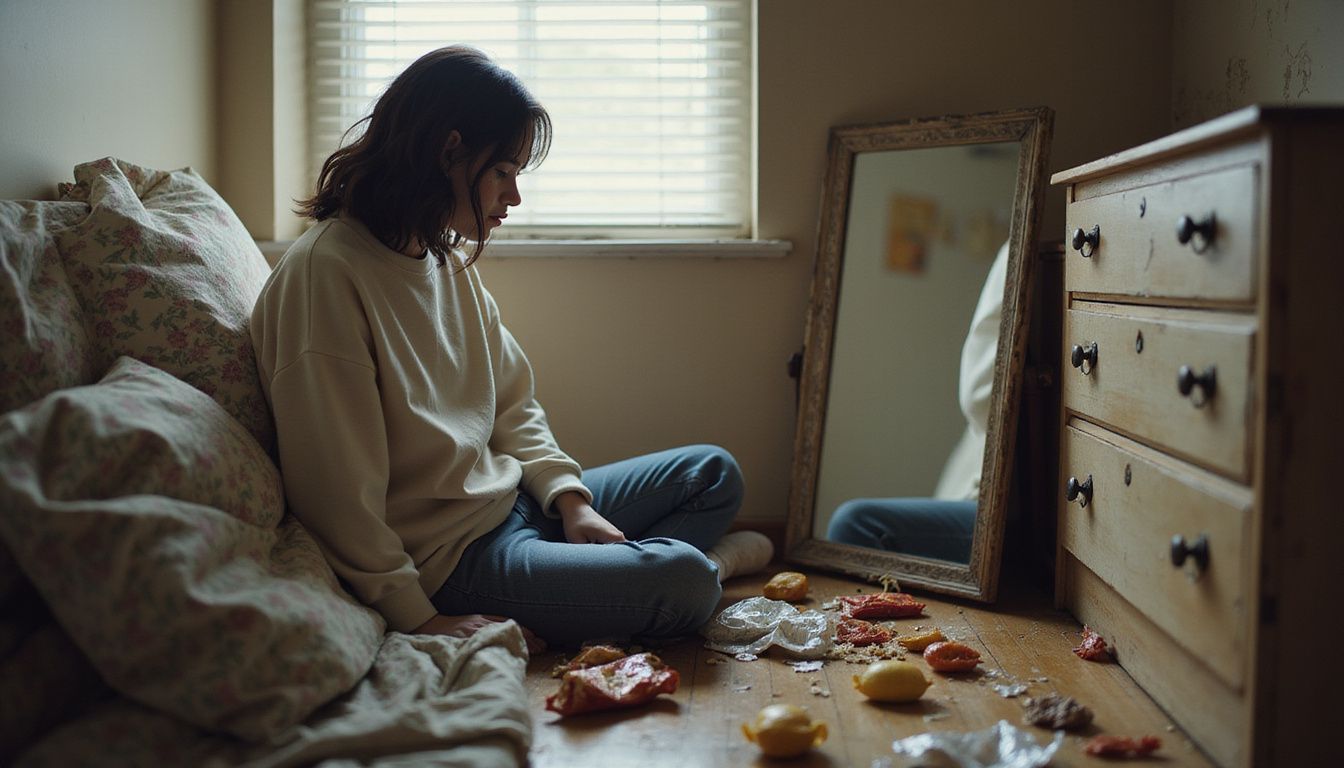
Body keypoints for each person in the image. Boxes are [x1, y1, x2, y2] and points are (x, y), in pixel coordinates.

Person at [250, 46, 772, 652]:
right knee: (680, 581)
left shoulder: (440, 255)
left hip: (515, 501)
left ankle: (613, 577)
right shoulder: (326, 277)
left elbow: (511, 404)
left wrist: (570, 499)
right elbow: (335, 493)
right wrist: (419, 618)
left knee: (711, 473)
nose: (514, 197)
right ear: (448, 151)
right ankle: (692, 571)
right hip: (454, 562)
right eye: (503, 171)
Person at [825, 240, 1009, 562]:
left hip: (1004, 504)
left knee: (854, 526)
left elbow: (980, 397)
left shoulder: (1019, 248)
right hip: (981, 482)